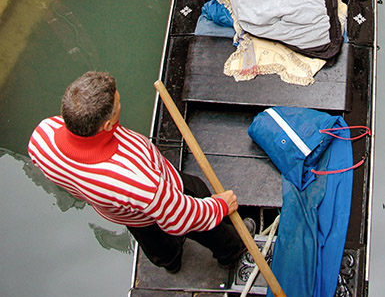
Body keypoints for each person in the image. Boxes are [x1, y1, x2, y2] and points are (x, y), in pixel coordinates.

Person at [28, 71, 251, 273]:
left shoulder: (41, 137)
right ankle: (231, 252)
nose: (120, 103)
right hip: (161, 191)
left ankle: (172, 262)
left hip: (123, 211)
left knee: (154, 243)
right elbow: (181, 216)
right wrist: (220, 206)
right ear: (106, 126)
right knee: (198, 201)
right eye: (118, 104)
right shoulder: (136, 180)